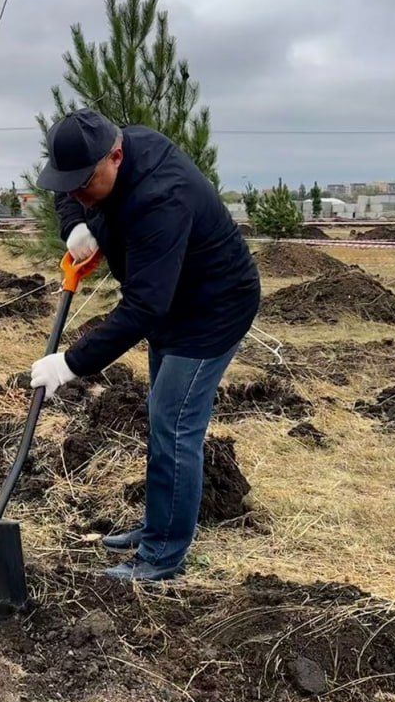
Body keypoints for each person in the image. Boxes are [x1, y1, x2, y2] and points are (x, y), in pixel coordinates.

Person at [29, 109, 261, 582]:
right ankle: (160, 522)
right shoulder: (106, 155)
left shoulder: (163, 197)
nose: (75, 192)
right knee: (162, 415)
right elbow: (66, 187)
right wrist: (76, 221)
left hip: (210, 311)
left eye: (83, 185)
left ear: (115, 156)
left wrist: (70, 364)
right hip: (171, 300)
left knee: (174, 425)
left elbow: (143, 308)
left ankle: (162, 555)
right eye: (68, 183)